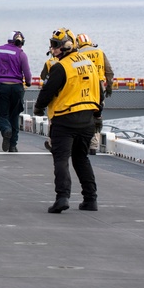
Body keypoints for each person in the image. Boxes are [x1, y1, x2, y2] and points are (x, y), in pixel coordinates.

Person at [33, 28, 101, 213]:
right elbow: (99, 92)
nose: (52, 49)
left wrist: (38, 107)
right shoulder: (90, 64)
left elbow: (47, 92)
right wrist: (97, 116)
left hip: (65, 119)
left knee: (61, 159)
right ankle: (90, 199)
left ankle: (62, 197)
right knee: (81, 159)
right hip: (87, 120)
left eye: (55, 45)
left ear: (67, 45)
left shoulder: (60, 67)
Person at [0, 31, 33, 153]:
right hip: (17, 88)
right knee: (14, 115)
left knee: (1, 115)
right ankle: (13, 145)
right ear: (20, 42)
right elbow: (27, 74)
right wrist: (28, 82)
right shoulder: (21, 54)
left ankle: (6, 130)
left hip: (2, 87)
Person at [75, 33, 114, 155]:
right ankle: (94, 145)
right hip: (99, 86)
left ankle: (84, 143)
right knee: (97, 114)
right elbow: (109, 71)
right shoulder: (99, 52)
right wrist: (109, 88)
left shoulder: (78, 54)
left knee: (84, 113)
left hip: (84, 86)